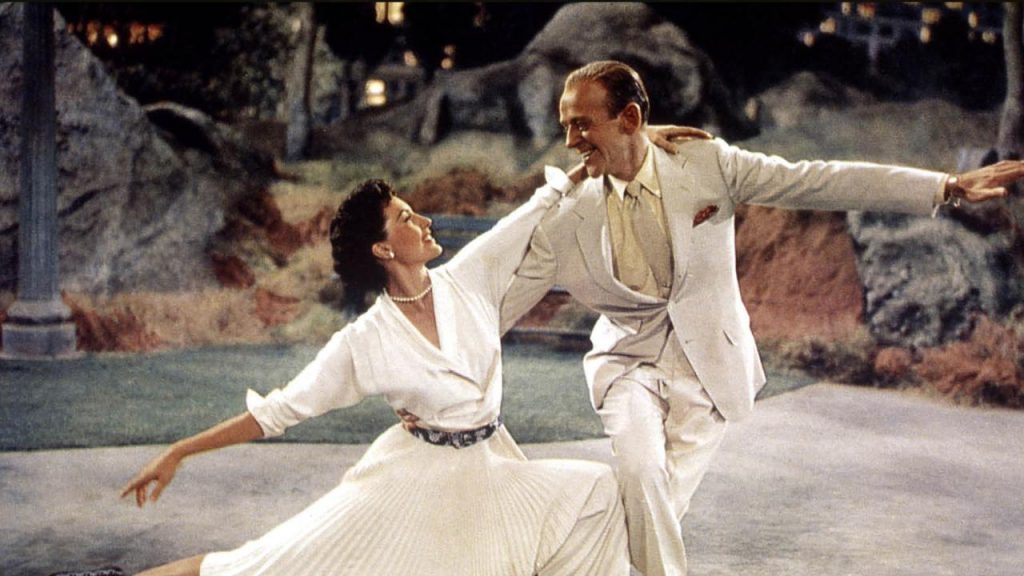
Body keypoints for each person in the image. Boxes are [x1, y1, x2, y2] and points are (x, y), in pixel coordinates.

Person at [490, 60, 1024, 576]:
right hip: (626, 364)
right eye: (565, 126)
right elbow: (506, 293)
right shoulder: (571, 207)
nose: (569, 141)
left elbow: (818, 181)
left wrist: (943, 187)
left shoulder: (706, 164)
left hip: (708, 373)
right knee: (638, 470)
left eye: (582, 124)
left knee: (654, 508)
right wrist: (455, 366)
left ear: (630, 118)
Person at [97, 173, 633, 576]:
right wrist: (180, 451)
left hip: (489, 471)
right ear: (383, 248)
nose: (424, 222)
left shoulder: (469, 278)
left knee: (598, 490)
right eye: (406, 218)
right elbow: (278, 412)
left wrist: (631, 147)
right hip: (411, 483)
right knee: (262, 566)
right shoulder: (365, 341)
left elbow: (539, 207)